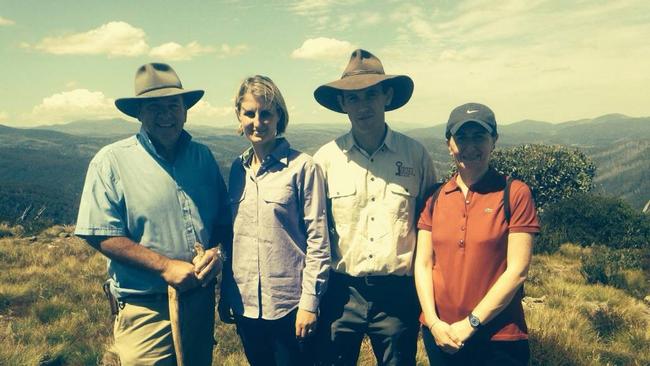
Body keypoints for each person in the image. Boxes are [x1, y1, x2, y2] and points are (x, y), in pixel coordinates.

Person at [75, 63, 231, 366]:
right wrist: (164, 267)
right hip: (146, 309)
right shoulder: (112, 161)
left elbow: (223, 220)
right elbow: (100, 233)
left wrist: (217, 252)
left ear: (185, 109)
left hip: (198, 304)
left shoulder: (202, 157)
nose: (166, 115)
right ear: (139, 113)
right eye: (154, 107)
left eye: (173, 105)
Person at [312, 49, 436, 365]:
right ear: (342, 104)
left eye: (371, 94)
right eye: (352, 98)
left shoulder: (415, 156)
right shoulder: (325, 160)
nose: (362, 105)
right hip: (340, 292)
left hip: (398, 295)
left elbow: (431, 226)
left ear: (387, 96)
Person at [414, 103, 540, 365]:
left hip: (500, 338)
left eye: (479, 137)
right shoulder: (434, 197)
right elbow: (424, 264)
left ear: (494, 140)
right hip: (442, 337)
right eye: (461, 137)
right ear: (449, 144)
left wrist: (470, 324)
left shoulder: (514, 193)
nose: (470, 147)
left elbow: (518, 270)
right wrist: (434, 324)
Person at [218, 75, 331, 366]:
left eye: (266, 113)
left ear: (279, 116)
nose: (258, 122)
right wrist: (227, 293)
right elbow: (234, 238)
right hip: (245, 304)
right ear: (238, 116)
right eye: (250, 113)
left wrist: (309, 304)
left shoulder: (302, 167)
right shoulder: (236, 170)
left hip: (289, 306)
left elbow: (318, 241)